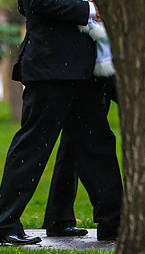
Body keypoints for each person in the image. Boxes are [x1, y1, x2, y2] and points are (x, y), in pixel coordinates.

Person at [0, 0, 123, 245]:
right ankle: (5, 224)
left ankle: (114, 223)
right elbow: (34, 1)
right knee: (34, 144)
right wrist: (88, 11)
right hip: (51, 65)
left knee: (97, 144)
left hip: (87, 65)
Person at [41, 77, 117, 237]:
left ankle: (59, 218)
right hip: (91, 72)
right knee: (91, 136)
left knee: (76, 138)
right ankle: (112, 220)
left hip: (89, 72)